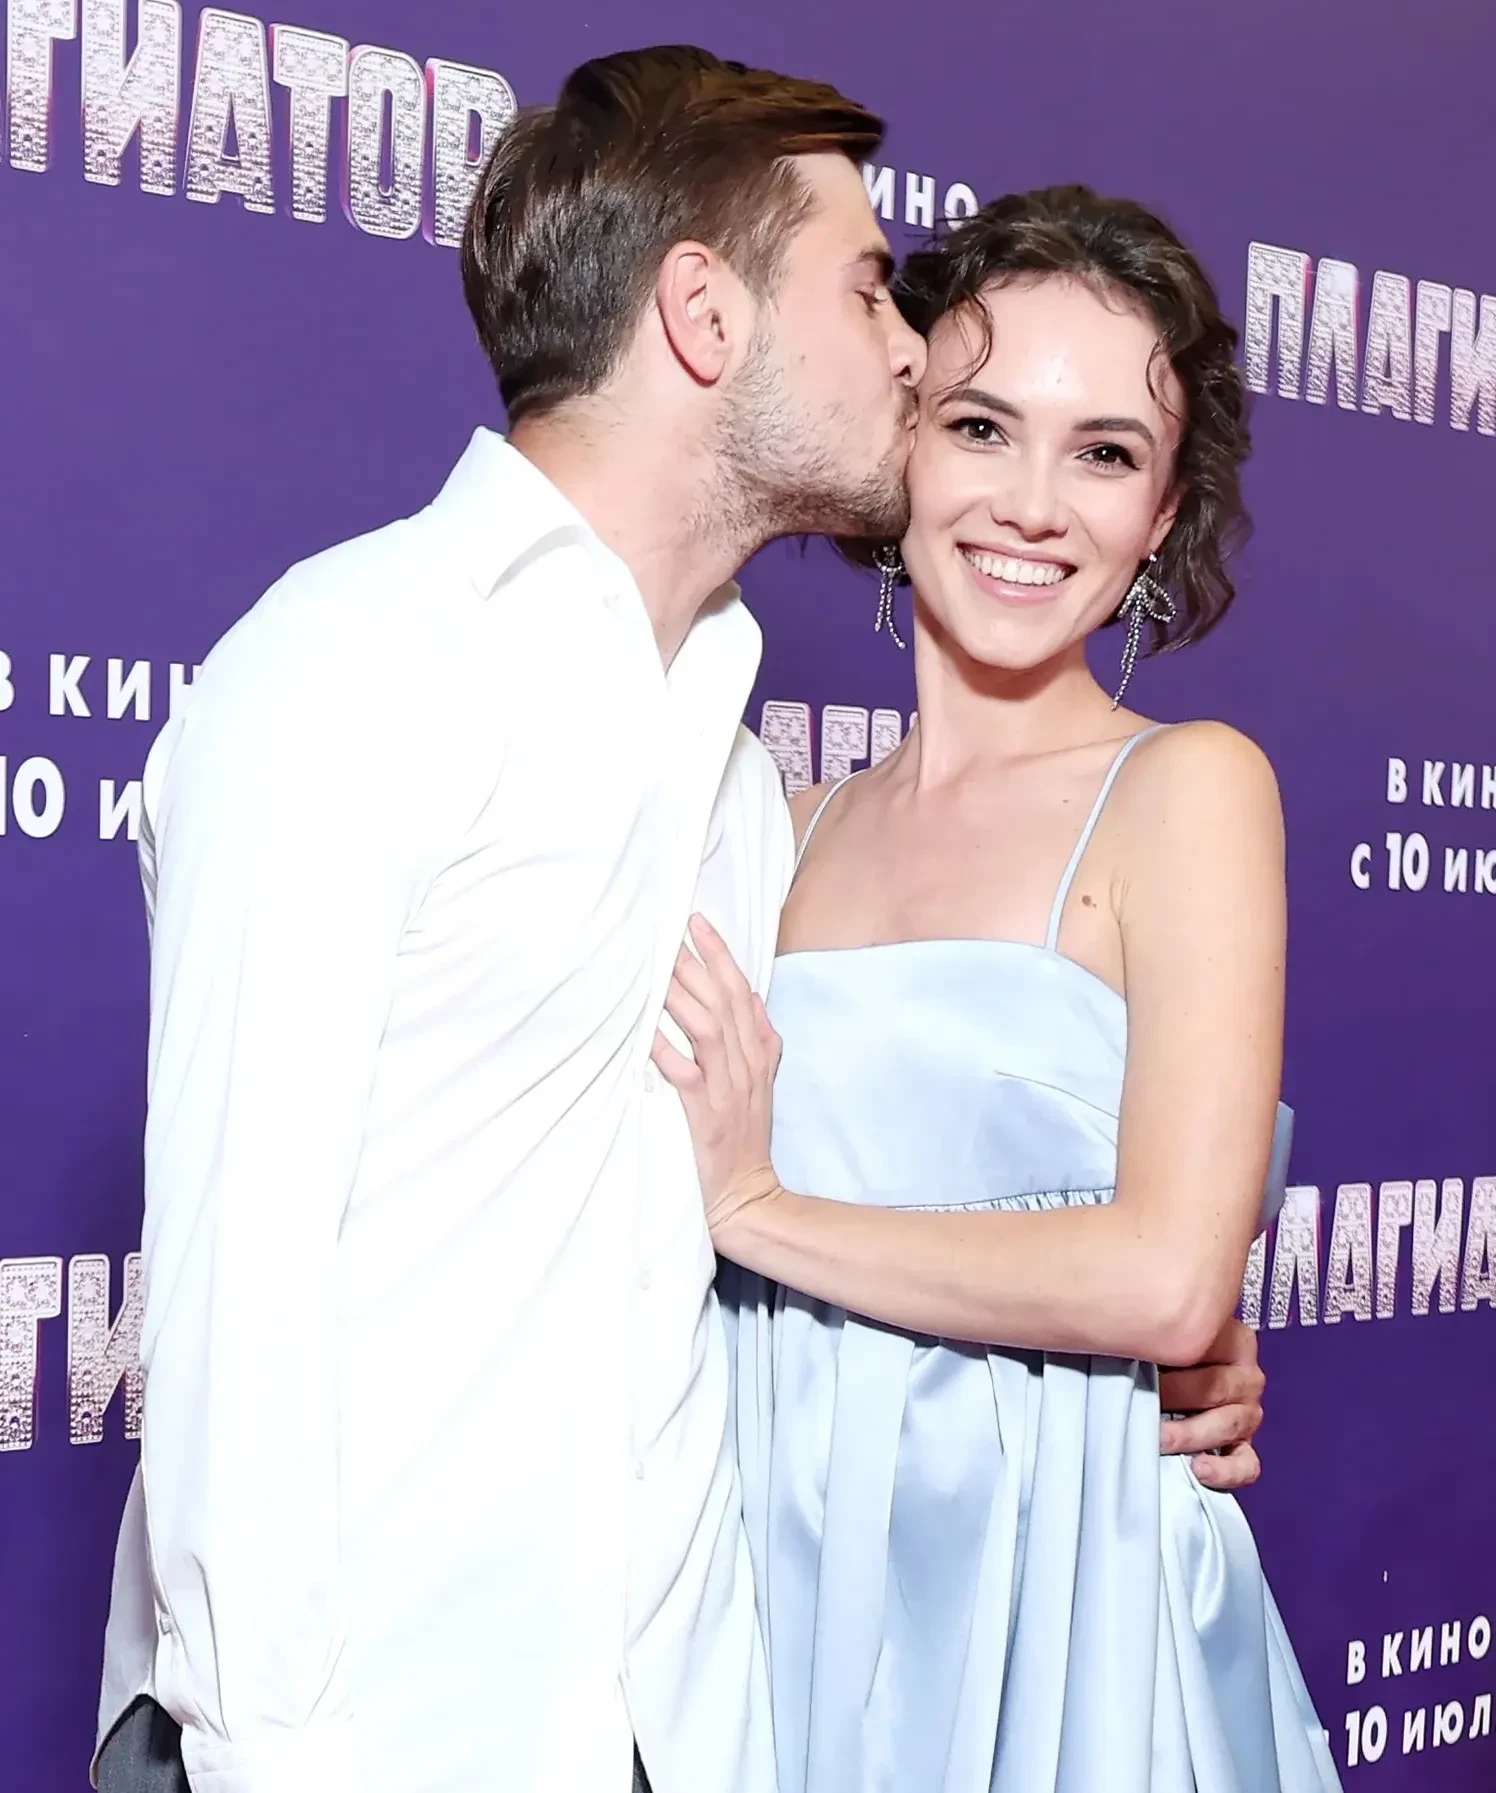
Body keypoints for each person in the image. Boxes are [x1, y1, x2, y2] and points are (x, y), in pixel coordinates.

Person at [92, 45, 1267, 1792]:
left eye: (1104, 452)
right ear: (706, 316)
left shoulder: (729, 775)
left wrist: (1150, 1338)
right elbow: (230, 1308)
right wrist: (269, 1752)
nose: (906, 349)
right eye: (867, 291)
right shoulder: (356, 672)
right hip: (377, 1733)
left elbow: (830, 1184)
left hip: (698, 1709)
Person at [654, 187, 1342, 1793]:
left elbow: (1167, 1283)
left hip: (1070, 1591)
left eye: (1104, 453)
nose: (1032, 506)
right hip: (777, 1571)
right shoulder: (770, 823)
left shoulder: (1189, 790)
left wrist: (754, 1211)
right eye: (981, 427)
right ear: (900, 440)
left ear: (1161, 515)